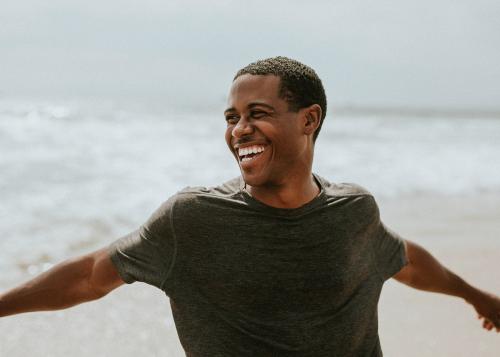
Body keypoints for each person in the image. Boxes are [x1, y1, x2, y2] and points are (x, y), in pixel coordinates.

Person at [0, 56, 498, 356]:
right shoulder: (191, 218)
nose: (239, 130)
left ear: (309, 119)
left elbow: (404, 260)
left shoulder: (354, 211)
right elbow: (90, 274)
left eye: (257, 114)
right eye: (232, 117)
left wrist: (477, 297)